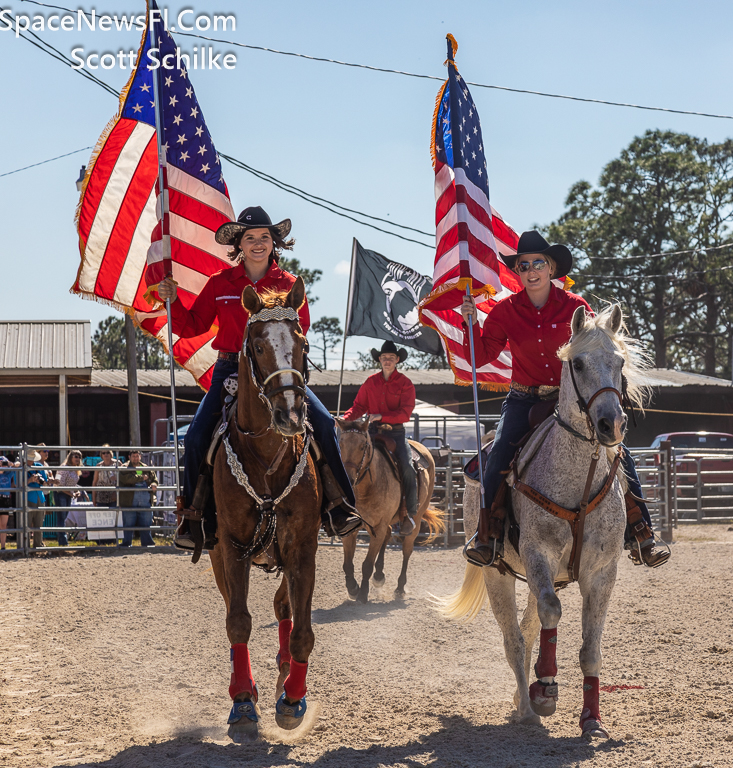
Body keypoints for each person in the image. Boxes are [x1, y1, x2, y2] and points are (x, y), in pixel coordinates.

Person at [460, 231, 669, 569]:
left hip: (569, 401)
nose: (531, 271)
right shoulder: (505, 311)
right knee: (498, 452)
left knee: (619, 451)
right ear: (518, 271)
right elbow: (480, 355)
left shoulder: (577, 307)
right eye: (523, 265)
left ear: (552, 267)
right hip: (523, 401)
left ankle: (641, 531)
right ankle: (489, 533)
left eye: (538, 264)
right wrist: (470, 322)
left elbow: (599, 352)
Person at [156, 206, 360, 551]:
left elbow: (299, 330)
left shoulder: (290, 284)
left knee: (325, 425)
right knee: (194, 438)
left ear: (274, 242)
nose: (258, 244)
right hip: (229, 370)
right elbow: (193, 326)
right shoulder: (220, 283)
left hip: (278, 372)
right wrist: (171, 303)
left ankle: (339, 506)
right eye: (250, 238)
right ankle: (195, 518)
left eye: (264, 237)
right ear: (239, 244)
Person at [343, 340, 418, 536]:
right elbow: (358, 406)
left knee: (408, 468)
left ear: (397, 360)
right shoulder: (370, 382)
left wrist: (382, 416)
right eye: (384, 358)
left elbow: (405, 413)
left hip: (396, 433)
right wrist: (344, 419)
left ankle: (409, 514)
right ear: (379, 360)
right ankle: (342, 509)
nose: (387, 360)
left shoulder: (406, 384)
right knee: (349, 460)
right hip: (373, 432)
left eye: (391, 358)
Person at [119, 450, 158, 547]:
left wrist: (154, 484)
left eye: (137, 456)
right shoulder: (124, 467)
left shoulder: (145, 467)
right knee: (128, 522)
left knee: (146, 522)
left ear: (140, 457)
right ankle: (126, 543)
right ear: (129, 457)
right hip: (129, 499)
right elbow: (125, 479)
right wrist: (141, 478)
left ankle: (147, 543)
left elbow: (154, 479)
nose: (136, 458)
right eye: (133, 456)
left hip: (145, 497)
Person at [55, 450, 88, 547]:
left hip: (68, 494)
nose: (77, 458)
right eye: (75, 456)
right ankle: (63, 540)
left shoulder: (76, 469)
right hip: (60, 493)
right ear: (70, 457)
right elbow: (59, 483)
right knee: (61, 517)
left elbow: (72, 484)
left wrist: (75, 491)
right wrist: (72, 494)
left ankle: (62, 539)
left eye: (79, 457)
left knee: (64, 517)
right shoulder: (63, 467)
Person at [26, 451, 49, 549]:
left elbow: (45, 482)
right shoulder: (21, 468)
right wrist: (30, 480)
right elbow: (17, 484)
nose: (31, 460)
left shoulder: (39, 466)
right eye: (29, 457)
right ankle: (25, 546)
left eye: (32, 457)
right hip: (28, 498)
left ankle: (38, 545)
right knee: (26, 523)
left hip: (40, 497)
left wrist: (42, 481)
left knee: (39, 523)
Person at [0, 456, 15, 549]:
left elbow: (18, 465)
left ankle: (3, 546)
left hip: (5, 499)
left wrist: (10, 464)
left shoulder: (8, 474)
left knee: (4, 525)